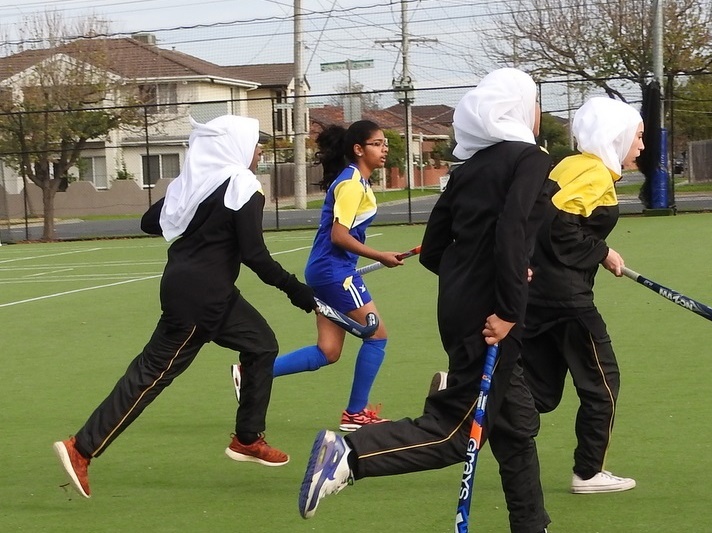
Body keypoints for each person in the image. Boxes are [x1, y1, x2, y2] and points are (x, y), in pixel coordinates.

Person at [297, 68, 554, 533]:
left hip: (457, 306)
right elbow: (512, 230)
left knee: (515, 425)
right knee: (456, 433)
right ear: (519, 109)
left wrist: (481, 277)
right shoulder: (529, 159)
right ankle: (349, 456)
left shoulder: (469, 167)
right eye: (535, 102)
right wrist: (510, 307)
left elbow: (435, 250)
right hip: (493, 311)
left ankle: (532, 524)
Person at [52, 114, 317, 499]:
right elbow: (254, 254)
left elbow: (148, 222)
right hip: (201, 299)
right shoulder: (242, 184)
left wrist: (188, 199)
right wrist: (296, 290)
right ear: (235, 147)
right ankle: (82, 448)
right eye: (255, 142)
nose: (260, 149)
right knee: (151, 375)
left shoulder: (197, 183)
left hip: (202, 291)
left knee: (261, 344)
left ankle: (247, 438)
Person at [231, 119, 404, 432]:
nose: (384, 150)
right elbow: (340, 236)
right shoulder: (351, 184)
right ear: (358, 149)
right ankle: (355, 413)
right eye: (377, 144)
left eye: (385, 144)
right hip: (334, 272)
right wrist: (381, 255)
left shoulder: (356, 181)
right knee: (377, 336)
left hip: (327, 270)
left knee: (328, 351)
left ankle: (249, 372)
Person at [520, 96, 645, 494]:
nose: (641, 146)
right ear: (618, 135)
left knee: (540, 391)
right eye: (638, 137)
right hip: (567, 299)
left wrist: (596, 253)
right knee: (603, 384)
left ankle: (462, 389)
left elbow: (546, 221)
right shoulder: (594, 175)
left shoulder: (570, 164)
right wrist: (603, 251)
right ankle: (588, 472)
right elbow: (557, 228)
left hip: (537, 293)